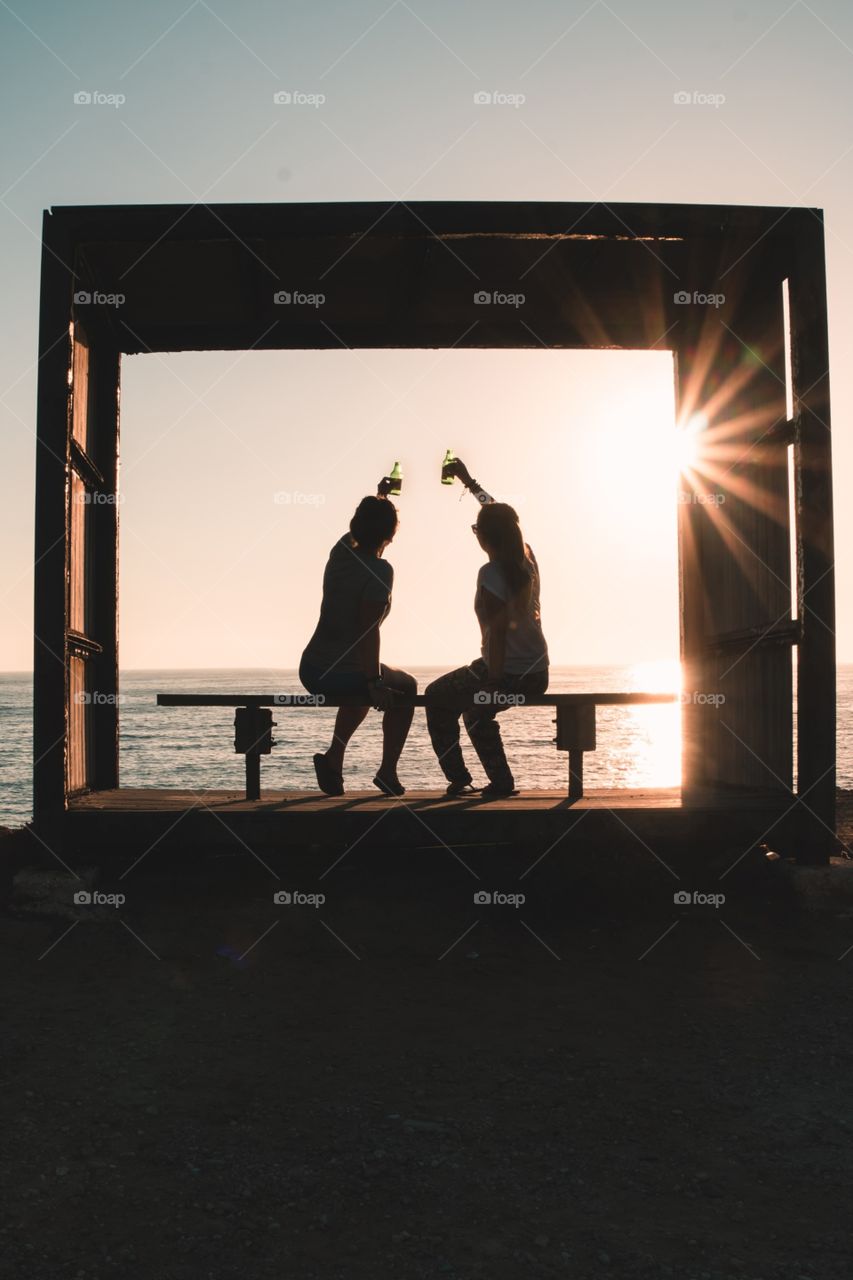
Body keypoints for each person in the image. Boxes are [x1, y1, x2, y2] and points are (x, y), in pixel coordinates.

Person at [425, 459, 549, 798]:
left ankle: (484, 781)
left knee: (446, 702)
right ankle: (478, 779)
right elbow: (501, 515)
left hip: (507, 672)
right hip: (537, 671)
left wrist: (493, 683)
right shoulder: (527, 558)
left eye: (477, 530)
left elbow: (498, 633)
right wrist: (468, 481)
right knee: (466, 705)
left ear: (484, 537)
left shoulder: (491, 572)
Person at [299, 476, 416, 797]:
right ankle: (387, 772)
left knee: (364, 682)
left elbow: (361, 530)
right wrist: (375, 683)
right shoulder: (381, 571)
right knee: (405, 687)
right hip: (341, 673)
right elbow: (368, 631)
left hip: (311, 669)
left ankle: (334, 758)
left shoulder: (339, 554)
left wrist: (381, 496)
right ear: (392, 535)